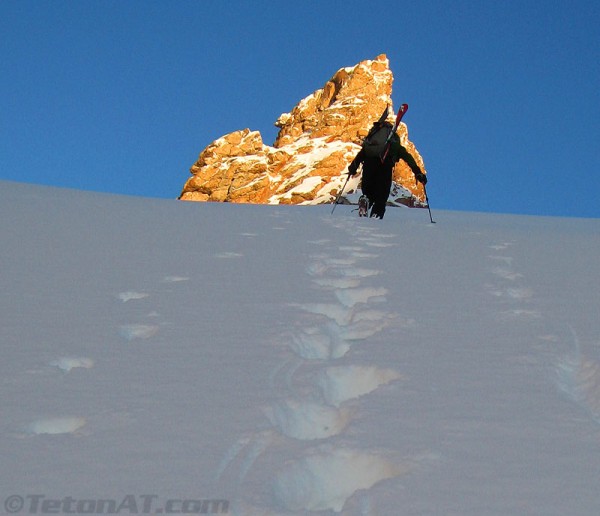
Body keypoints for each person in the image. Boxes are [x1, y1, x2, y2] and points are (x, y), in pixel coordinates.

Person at [347, 120, 427, 219]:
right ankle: (376, 216)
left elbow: (361, 154)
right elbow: (408, 157)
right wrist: (418, 172)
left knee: (368, 193)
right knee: (381, 196)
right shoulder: (394, 144)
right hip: (384, 166)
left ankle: (366, 200)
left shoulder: (372, 142)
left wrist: (353, 168)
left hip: (369, 165)